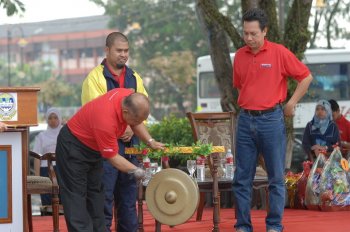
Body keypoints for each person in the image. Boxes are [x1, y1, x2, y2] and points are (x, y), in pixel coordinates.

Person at [232, 8, 313, 232]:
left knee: (276, 177)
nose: (249, 38)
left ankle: (274, 225)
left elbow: (306, 77)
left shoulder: (279, 53)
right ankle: (242, 226)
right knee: (241, 178)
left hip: (272, 120)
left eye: (253, 34)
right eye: (245, 33)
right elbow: (241, 85)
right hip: (246, 120)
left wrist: (291, 103)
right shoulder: (239, 56)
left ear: (264, 31)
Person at [55, 88, 164, 232]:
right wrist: (138, 171)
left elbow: (136, 121)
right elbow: (113, 158)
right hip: (73, 146)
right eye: (136, 120)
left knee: (96, 196)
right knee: (76, 198)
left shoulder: (127, 96)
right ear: (125, 112)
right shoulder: (106, 120)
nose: (136, 124)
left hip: (93, 148)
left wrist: (150, 141)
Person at [81, 31, 148, 232]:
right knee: (103, 201)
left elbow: (142, 109)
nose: (123, 54)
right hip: (104, 148)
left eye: (126, 51)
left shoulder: (134, 77)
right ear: (107, 50)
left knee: (128, 202)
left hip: (130, 147)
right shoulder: (94, 78)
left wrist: (133, 128)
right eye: (119, 50)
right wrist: (125, 126)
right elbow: (97, 116)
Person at [32, 108, 63, 208]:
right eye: (50, 118)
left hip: (62, 169)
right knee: (47, 199)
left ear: (59, 119)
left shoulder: (64, 134)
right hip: (45, 170)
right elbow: (37, 156)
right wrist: (38, 177)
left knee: (62, 198)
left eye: (55, 117)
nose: (53, 120)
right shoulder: (41, 136)